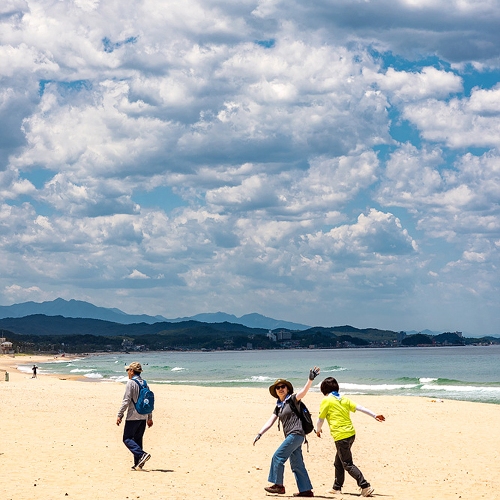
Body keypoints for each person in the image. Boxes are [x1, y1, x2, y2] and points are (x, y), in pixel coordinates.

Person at [253, 367, 320, 497]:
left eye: (283, 386)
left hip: (296, 434)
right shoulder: (278, 406)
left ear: (287, 389)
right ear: (276, 392)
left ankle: (279, 485)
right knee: (297, 464)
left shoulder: (293, 399)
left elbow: (304, 392)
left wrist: (310, 379)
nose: (280, 389)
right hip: (294, 437)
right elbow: (270, 421)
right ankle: (306, 490)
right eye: (278, 388)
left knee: (278, 456)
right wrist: (260, 433)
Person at [316, 377, 385, 497]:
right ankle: (337, 487)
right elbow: (360, 408)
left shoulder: (326, 401)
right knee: (338, 462)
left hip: (340, 436)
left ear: (324, 390)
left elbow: (320, 419)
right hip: (351, 434)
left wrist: (318, 430)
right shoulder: (344, 399)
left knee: (347, 463)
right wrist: (374, 415)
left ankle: (364, 485)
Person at [116, 362, 153, 470]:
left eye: (128, 370)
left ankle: (141, 455)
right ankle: (138, 464)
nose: (127, 372)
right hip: (144, 415)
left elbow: (126, 400)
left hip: (133, 416)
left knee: (127, 438)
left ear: (132, 371)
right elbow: (148, 402)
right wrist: (149, 418)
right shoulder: (145, 383)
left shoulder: (131, 383)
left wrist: (120, 414)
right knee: (138, 439)